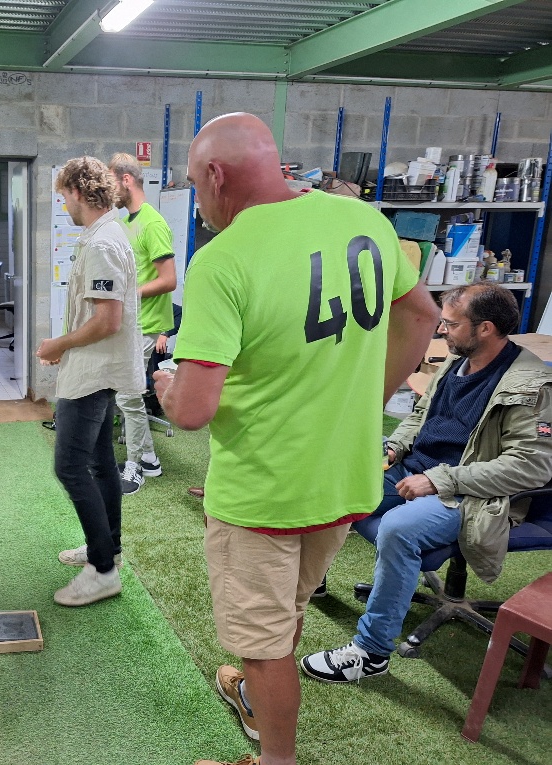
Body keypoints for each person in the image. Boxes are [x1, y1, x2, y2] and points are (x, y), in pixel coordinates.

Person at [153, 113, 438, 765]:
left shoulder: (223, 259)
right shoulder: (363, 219)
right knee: (286, 610)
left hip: (264, 491)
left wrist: (167, 387)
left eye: (195, 186)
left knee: (263, 647)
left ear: (217, 176)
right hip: (344, 478)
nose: (198, 202)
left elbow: (192, 411)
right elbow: (421, 315)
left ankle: (273, 756)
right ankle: (258, 697)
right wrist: (365, 403)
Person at [301, 283, 552, 685]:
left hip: (472, 494)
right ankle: (311, 578)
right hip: (417, 468)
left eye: (451, 324)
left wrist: (439, 480)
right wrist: (395, 447)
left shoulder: (530, 385)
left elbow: (531, 468)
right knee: (337, 471)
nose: (441, 331)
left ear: (485, 328)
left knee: (398, 529)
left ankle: (371, 653)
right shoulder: (457, 360)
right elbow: (421, 415)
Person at [39, 156, 145, 607]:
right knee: (101, 464)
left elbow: (107, 320)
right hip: (97, 371)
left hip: (92, 375)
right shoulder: (105, 236)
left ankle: (102, 571)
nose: (63, 204)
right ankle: (108, 548)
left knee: (70, 467)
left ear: (79, 192)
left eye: (64, 195)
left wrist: (58, 344)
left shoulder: (103, 242)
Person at [109, 152, 177, 495]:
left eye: (111, 183)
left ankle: (136, 466)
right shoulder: (127, 222)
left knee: (128, 395)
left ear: (126, 180)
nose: (109, 192)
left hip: (148, 324)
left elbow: (169, 280)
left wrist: (130, 293)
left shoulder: (152, 223)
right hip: (132, 322)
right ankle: (148, 458)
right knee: (126, 395)